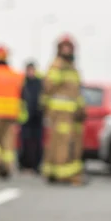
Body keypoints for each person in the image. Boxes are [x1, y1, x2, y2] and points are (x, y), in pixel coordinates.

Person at [41, 34, 86, 185]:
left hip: (71, 114)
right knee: (61, 142)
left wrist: (81, 109)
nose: (67, 50)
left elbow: (76, 92)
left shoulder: (73, 69)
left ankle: (61, 172)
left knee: (69, 143)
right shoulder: (57, 66)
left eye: (69, 47)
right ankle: (60, 174)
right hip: (60, 114)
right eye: (64, 47)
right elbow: (48, 87)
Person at [0, 45, 25, 179]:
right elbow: (22, 94)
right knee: (7, 141)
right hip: (12, 114)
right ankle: (7, 167)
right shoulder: (16, 75)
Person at [18, 61, 44, 173]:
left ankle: (36, 165)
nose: (30, 72)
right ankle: (25, 165)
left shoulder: (39, 83)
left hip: (37, 117)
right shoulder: (23, 82)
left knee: (37, 142)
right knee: (25, 142)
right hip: (26, 117)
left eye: (32, 70)